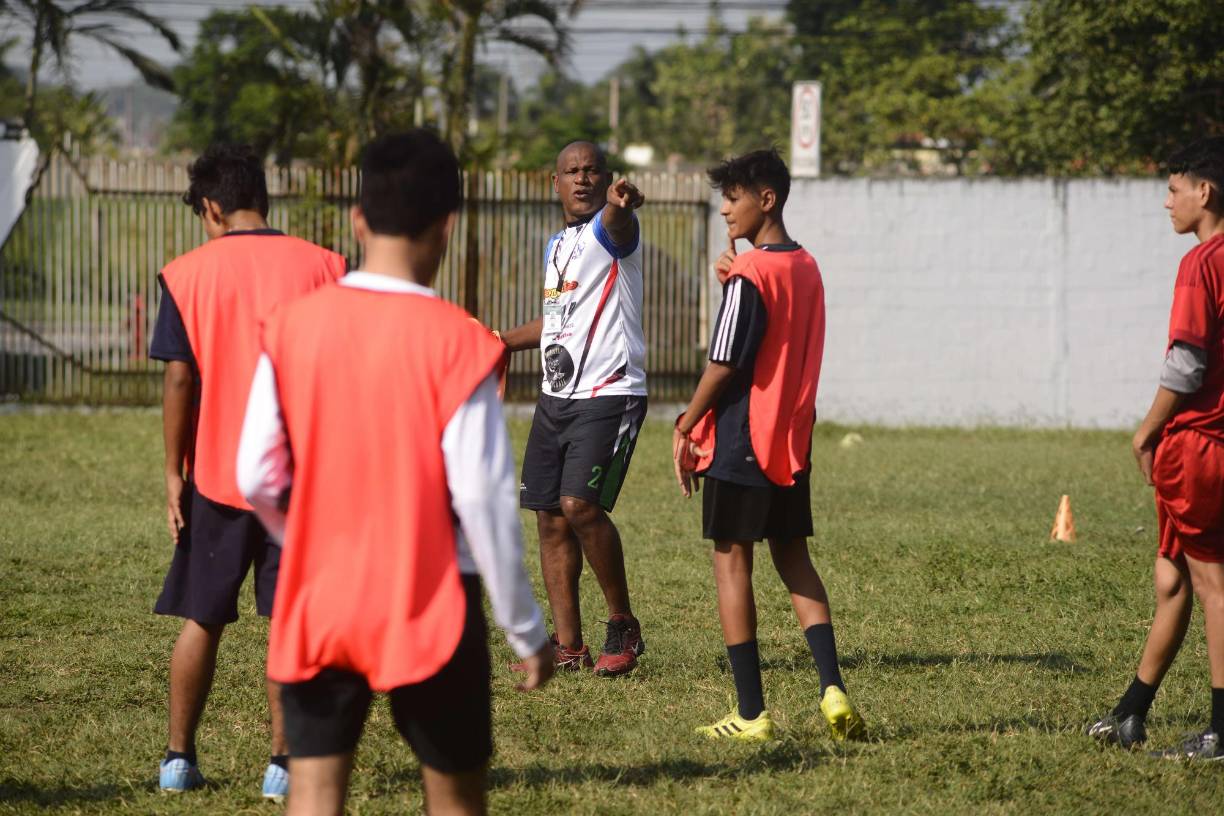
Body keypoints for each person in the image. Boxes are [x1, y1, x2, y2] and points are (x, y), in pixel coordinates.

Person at [236, 129, 554, 815]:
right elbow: (482, 497)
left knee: (314, 793)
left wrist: (306, 538)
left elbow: (256, 472)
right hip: (434, 600)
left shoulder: (290, 325)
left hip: (320, 595)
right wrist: (526, 630)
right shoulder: (461, 342)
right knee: (455, 797)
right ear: (447, 225)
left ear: (357, 218)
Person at [148, 144, 346, 797]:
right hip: (299, 480)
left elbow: (181, 378)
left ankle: (178, 760)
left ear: (210, 205)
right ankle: (282, 768)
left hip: (218, 476)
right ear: (265, 196)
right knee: (289, 619)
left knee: (202, 616)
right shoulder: (325, 266)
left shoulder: (186, 273)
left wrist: (175, 471)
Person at [673, 148, 866, 742]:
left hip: (742, 440)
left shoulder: (754, 275)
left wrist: (686, 423)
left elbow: (725, 362)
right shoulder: (805, 265)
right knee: (794, 557)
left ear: (768, 199)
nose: (726, 209)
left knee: (731, 565)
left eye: (734, 198)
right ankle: (832, 687)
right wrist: (735, 279)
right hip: (790, 442)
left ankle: (752, 713)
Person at [1087, 137, 1224, 761]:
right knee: (1171, 580)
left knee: (1212, 584)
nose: (1166, 202)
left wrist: (1146, 430)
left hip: (1198, 444)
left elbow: (1187, 363)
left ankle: (1220, 732)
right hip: (1202, 447)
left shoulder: (1201, 263)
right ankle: (1129, 714)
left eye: (1173, 189)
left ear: (1206, 192)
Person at [496, 141, 649, 676]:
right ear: (554, 182)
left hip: (610, 390)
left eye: (592, 172)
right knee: (549, 516)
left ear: (608, 179)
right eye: (571, 171)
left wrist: (621, 204)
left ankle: (622, 625)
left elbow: (619, 222)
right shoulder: (558, 245)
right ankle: (568, 646)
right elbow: (559, 320)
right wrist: (499, 341)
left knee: (579, 505)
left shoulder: (610, 232)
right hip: (556, 395)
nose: (582, 179)